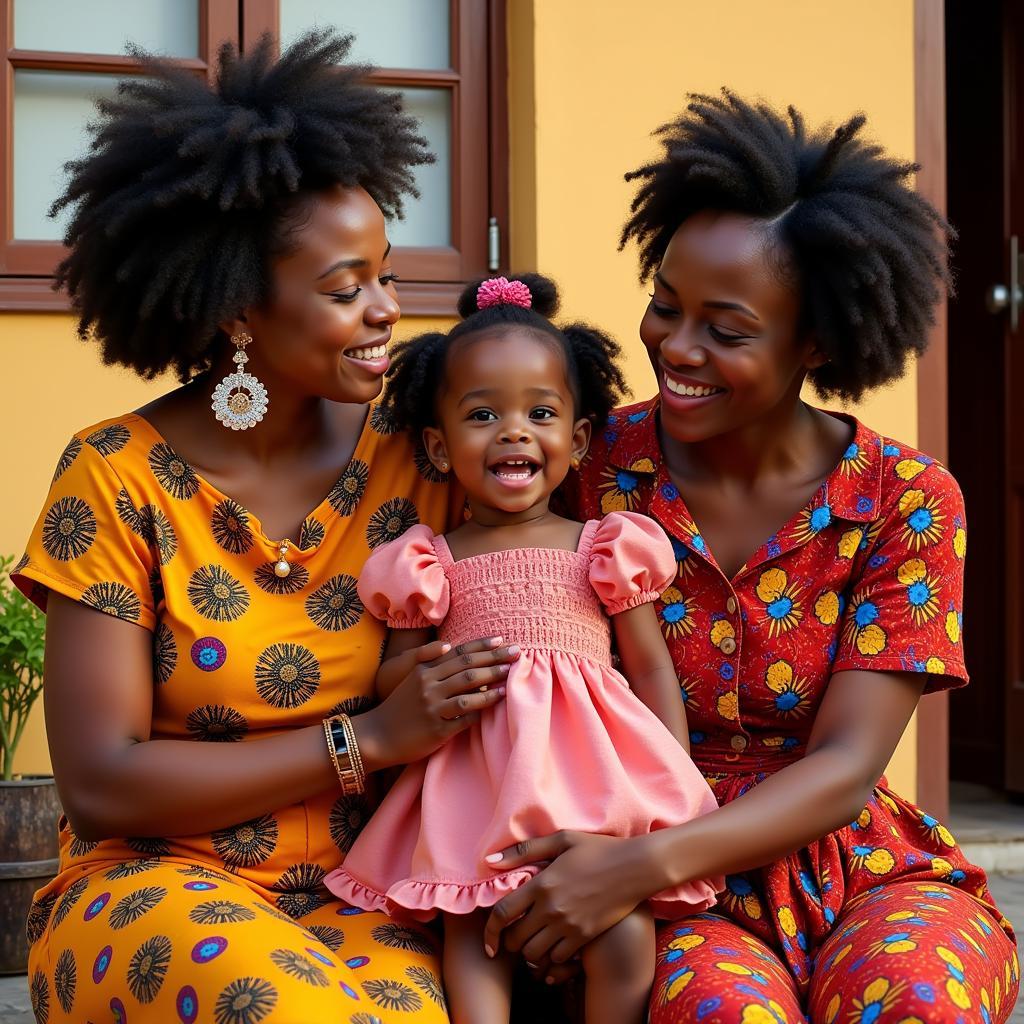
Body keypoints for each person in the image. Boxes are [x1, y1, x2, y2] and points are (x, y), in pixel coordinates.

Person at [477, 93, 1021, 1023]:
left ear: (818, 340)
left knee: (920, 1001)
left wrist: (630, 869)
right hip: (665, 873)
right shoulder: (583, 467)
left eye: (725, 332)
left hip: (859, 863)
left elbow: (847, 764)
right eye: (663, 305)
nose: (675, 347)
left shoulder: (906, 498)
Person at [12, 31, 519, 1023]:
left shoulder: (418, 452)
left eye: (384, 273)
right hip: (145, 887)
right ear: (241, 310)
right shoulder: (115, 480)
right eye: (345, 290)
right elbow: (103, 784)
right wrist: (366, 739)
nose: (387, 310)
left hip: (366, 885)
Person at [324, 273, 722, 1024]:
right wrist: (427, 671)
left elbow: (646, 669)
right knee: (473, 938)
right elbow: (390, 678)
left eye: (540, 413)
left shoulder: (604, 546)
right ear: (439, 448)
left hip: (595, 800)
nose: (513, 432)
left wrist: (674, 793)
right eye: (483, 415)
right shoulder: (427, 561)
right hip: (476, 798)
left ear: (575, 441)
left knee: (626, 938)